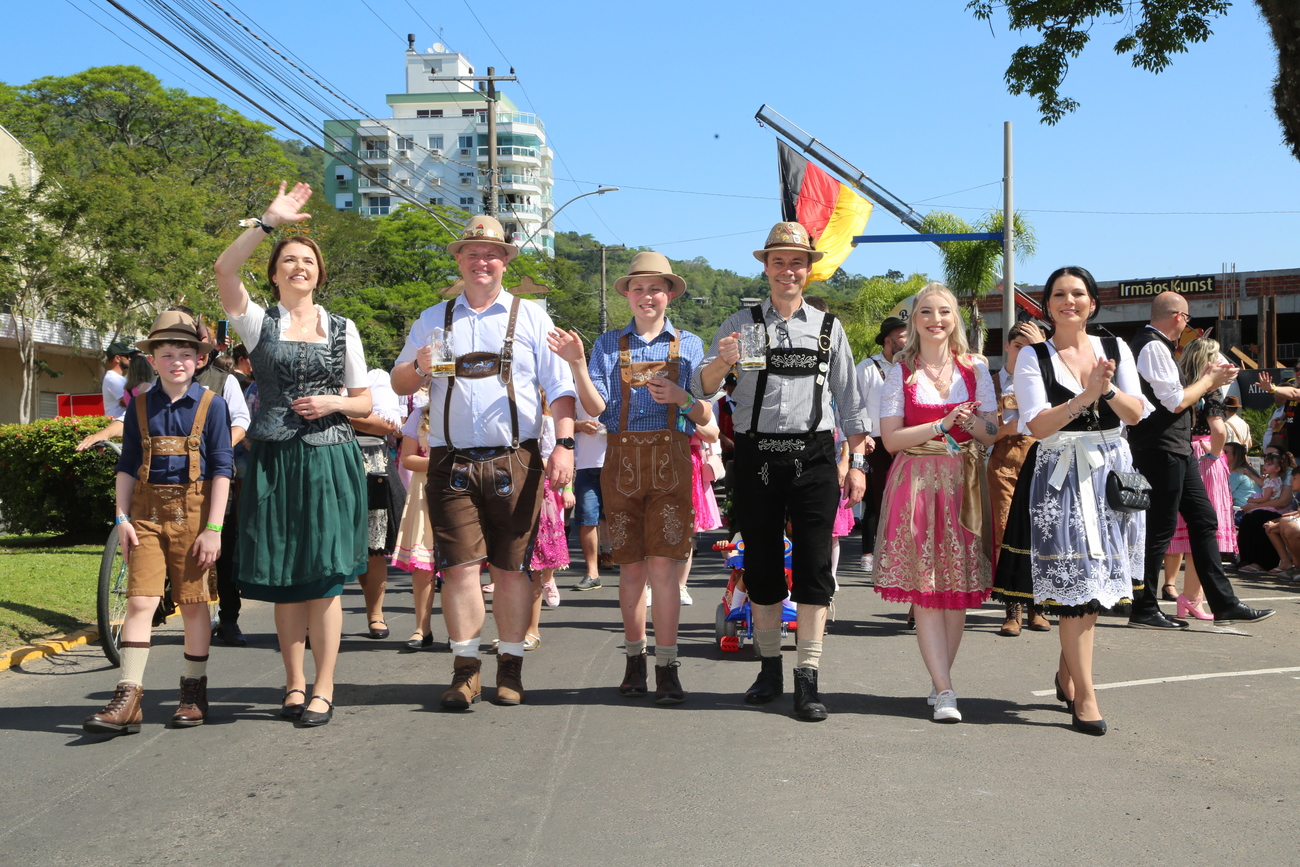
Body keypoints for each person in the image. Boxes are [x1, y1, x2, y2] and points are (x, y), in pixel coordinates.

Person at [391, 214, 575, 711]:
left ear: (505, 262)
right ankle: (465, 669)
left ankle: (510, 665)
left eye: (491, 253)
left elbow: (560, 389)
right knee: (459, 569)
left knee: (511, 569)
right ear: (459, 259)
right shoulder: (433, 317)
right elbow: (399, 385)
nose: (482, 261)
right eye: (472, 253)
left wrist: (564, 445)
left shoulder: (532, 316)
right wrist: (418, 367)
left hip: (514, 457)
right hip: (450, 461)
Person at [692, 222, 869, 722]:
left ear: (808, 271)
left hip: (814, 458)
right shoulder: (739, 323)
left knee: (814, 569)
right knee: (764, 567)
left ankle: (807, 678)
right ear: (765, 267)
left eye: (797, 262)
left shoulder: (830, 328)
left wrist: (857, 464)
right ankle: (769, 667)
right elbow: (701, 390)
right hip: (757, 458)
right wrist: (722, 363)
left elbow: (852, 406)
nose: (787, 270)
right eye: (778, 261)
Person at [215, 181, 373, 727]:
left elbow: (366, 399)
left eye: (307, 261)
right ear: (275, 272)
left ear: (319, 273)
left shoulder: (343, 329)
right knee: (285, 577)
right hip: (275, 462)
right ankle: (293, 683)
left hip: (330, 458)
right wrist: (268, 223)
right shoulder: (258, 322)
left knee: (325, 577)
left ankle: (325, 686)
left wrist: (332, 400)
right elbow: (223, 272)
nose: (298, 266)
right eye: (289, 260)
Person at [993, 266, 1150, 735]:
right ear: (1048, 305)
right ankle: (1086, 695)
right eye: (1059, 294)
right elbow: (1038, 426)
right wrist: (1086, 395)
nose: (1069, 301)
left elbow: (1137, 413)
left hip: (1110, 473)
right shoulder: (1032, 357)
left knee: (1096, 584)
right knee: (1076, 587)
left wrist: (1110, 388)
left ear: (1092, 302)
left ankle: (1067, 674)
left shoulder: (1116, 348)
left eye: (1078, 293)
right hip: (1060, 476)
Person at [551, 250, 710, 705]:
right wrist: (578, 363)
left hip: (673, 462)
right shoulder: (605, 344)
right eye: (638, 288)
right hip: (620, 464)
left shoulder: (690, 344)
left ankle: (667, 664)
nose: (647, 296)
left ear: (669, 294)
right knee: (631, 570)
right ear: (627, 295)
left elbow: (703, 410)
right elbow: (597, 409)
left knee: (664, 569)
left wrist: (681, 395)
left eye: (655, 288)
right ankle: (634, 659)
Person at [82, 310, 232, 734]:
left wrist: (214, 528)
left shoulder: (212, 405)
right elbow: (128, 464)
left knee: (194, 603)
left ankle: (193, 693)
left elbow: (222, 469)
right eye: (167, 354)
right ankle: (128, 698)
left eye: (186, 353)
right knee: (140, 601)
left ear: (199, 359)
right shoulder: (140, 406)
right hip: (144, 516)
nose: (177, 361)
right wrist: (122, 518)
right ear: (153, 358)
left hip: (195, 516)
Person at [874, 283, 997, 724]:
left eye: (944, 311)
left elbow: (991, 433)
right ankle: (945, 689)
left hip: (964, 481)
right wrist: (941, 424)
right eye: (926, 312)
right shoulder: (899, 373)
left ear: (955, 318)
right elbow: (890, 440)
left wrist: (978, 423)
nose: (936, 319)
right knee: (927, 587)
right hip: (917, 481)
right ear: (914, 321)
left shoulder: (974, 368)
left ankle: (939, 677)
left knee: (956, 590)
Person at [1129, 291, 1273, 628]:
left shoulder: (1157, 345)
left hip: (1176, 447)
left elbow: (1177, 399)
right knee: (1160, 529)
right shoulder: (1151, 345)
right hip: (1161, 448)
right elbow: (1175, 402)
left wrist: (1207, 382)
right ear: (1179, 317)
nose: (1187, 326)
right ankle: (1144, 607)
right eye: (1188, 318)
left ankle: (1224, 603)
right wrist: (1209, 381)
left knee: (1204, 519)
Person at [1163, 338, 1237, 617]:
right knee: (1205, 533)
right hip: (1204, 459)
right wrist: (1215, 455)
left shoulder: (1183, 386)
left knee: (1187, 531)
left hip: (1182, 452)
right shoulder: (1212, 392)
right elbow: (1219, 430)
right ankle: (1193, 598)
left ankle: (1190, 597)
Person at [987, 320, 1053, 637]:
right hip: (1002, 464)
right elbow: (983, 435)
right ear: (1007, 348)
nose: (1024, 353)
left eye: (1032, 348)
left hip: (1041, 460)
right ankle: (1012, 609)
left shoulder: (1049, 380)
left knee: (1040, 533)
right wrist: (1009, 429)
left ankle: (1036, 606)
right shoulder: (992, 384)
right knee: (1005, 534)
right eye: (1018, 347)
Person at [351, 368, 406, 640]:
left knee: (375, 543)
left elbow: (386, 424)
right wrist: (358, 416)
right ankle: (316, 618)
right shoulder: (317, 378)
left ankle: (375, 613)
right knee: (325, 540)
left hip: (371, 462)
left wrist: (335, 411)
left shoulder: (375, 377)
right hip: (326, 457)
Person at [857, 315, 907, 572]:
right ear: (888, 341)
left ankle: (897, 554)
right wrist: (860, 435)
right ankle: (869, 552)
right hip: (874, 441)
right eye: (902, 336)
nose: (908, 340)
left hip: (906, 440)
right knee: (876, 499)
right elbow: (853, 405)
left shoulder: (912, 366)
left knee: (904, 499)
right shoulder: (866, 367)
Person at [392, 387, 438, 651]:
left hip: (463, 488)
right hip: (426, 489)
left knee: (461, 563)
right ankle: (422, 628)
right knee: (424, 564)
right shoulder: (420, 414)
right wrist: (439, 463)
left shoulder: (468, 414)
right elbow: (408, 458)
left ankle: (461, 628)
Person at [571, 400, 611, 592]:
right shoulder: (574, 388)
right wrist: (577, 425)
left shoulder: (622, 381)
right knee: (587, 519)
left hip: (618, 463)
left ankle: (635, 571)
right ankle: (592, 573)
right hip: (586, 465)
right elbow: (554, 420)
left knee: (626, 518)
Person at [1236, 451, 1295, 572]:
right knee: (1247, 519)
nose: (1265, 466)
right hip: (1268, 506)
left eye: (1269, 463)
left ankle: (1262, 562)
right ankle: (1247, 559)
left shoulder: (1286, 476)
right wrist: (1250, 475)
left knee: (1258, 518)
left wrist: (1252, 502)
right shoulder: (1271, 479)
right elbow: (1262, 484)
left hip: (1276, 509)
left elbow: (1277, 500)